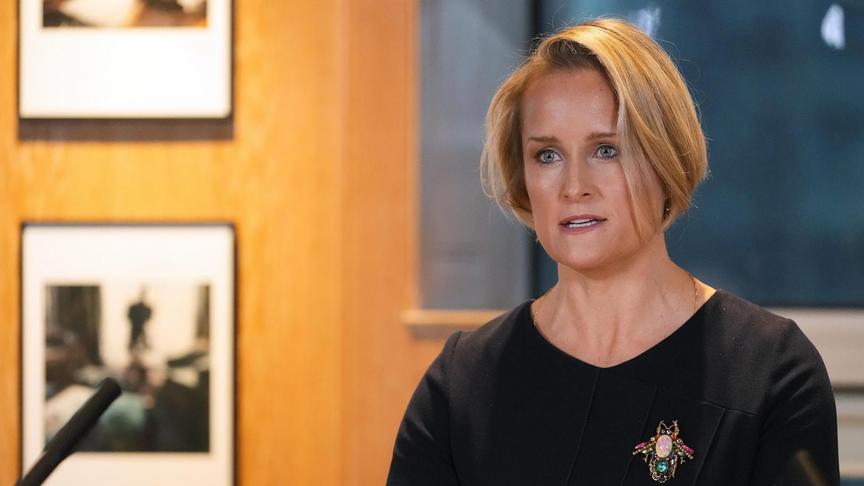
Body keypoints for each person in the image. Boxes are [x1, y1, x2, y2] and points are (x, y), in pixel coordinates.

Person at [387, 18, 839, 486]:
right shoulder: (461, 383)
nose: (574, 187)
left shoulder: (771, 372)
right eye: (547, 155)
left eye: (606, 150)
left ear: (666, 159)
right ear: (523, 180)